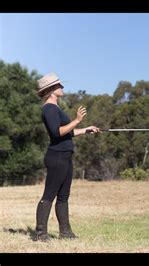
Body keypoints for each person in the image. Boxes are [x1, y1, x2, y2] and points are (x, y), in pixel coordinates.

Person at [34, 73, 101, 241]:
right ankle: (41, 234)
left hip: (65, 155)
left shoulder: (56, 109)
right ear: (50, 90)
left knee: (64, 195)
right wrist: (77, 120)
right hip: (57, 157)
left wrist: (86, 129)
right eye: (59, 86)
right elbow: (57, 133)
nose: (62, 88)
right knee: (49, 194)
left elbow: (68, 133)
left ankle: (66, 232)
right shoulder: (49, 109)